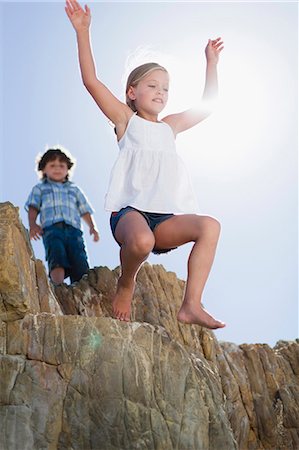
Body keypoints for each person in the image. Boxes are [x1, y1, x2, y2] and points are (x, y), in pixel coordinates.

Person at [65, 0, 225, 329]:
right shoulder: (126, 121)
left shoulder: (171, 126)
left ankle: (191, 304)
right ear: (132, 92)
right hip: (129, 215)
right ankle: (127, 284)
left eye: (165, 88)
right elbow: (91, 82)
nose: (160, 92)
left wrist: (211, 62)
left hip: (164, 218)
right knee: (142, 242)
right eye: (152, 86)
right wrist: (83, 31)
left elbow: (209, 106)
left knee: (210, 225)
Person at [25, 146, 99, 284]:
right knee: (56, 255)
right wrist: (33, 224)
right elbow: (33, 207)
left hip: (74, 231)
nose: (57, 168)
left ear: (67, 169)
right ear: (44, 169)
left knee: (79, 259)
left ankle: (82, 288)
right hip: (52, 230)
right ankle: (58, 286)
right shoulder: (40, 188)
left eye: (61, 165)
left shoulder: (74, 189)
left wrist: (92, 227)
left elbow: (84, 209)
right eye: (52, 165)